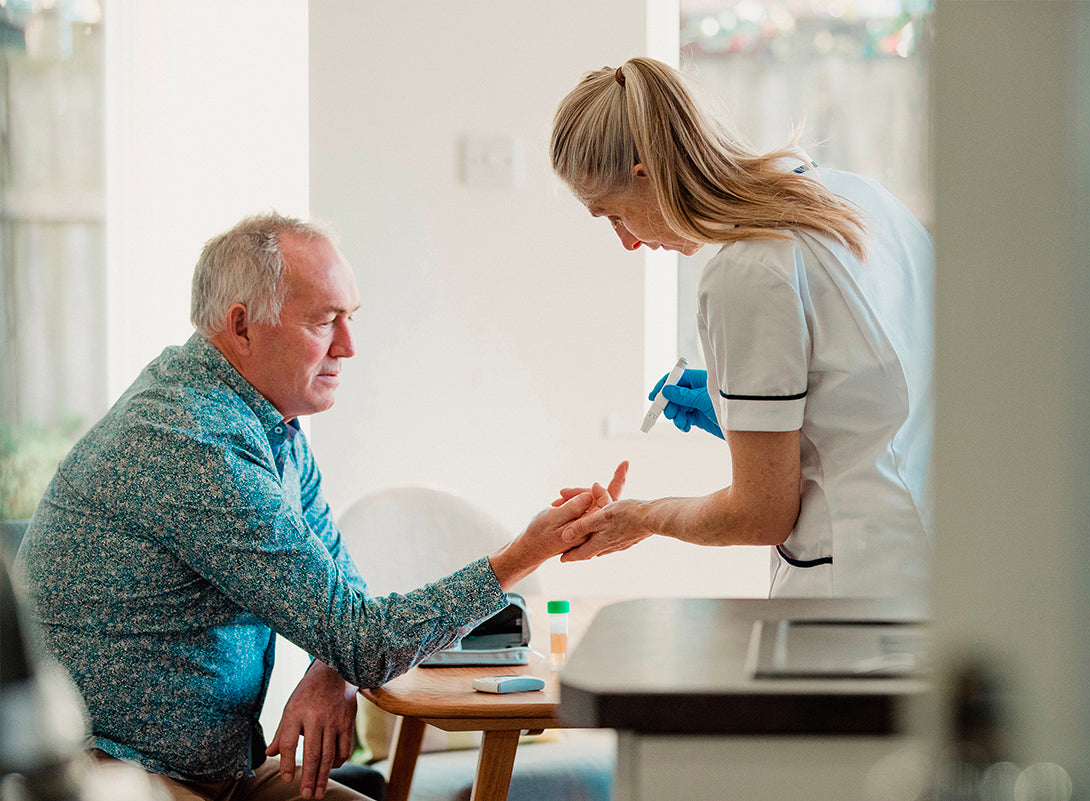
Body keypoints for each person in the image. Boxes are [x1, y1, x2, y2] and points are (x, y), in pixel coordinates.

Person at [14, 212, 624, 801]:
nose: (350, 346)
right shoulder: (191, 440)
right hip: (120, 775)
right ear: (242, 326)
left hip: (219, 769)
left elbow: (341, 599)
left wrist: (329, 669)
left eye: (350, 318)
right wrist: (525, 554)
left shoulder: (269, 424)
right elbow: (362, 639)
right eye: (326, 321)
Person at [549, 57, 933, 600]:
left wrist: (638, 517)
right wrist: (749, 417)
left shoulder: (746, 270)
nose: (627, 242)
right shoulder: (860, 198)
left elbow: (759, 516)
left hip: (857, 593)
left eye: (614, 214)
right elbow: (875, 394)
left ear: (647, 175)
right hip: (935, 561)